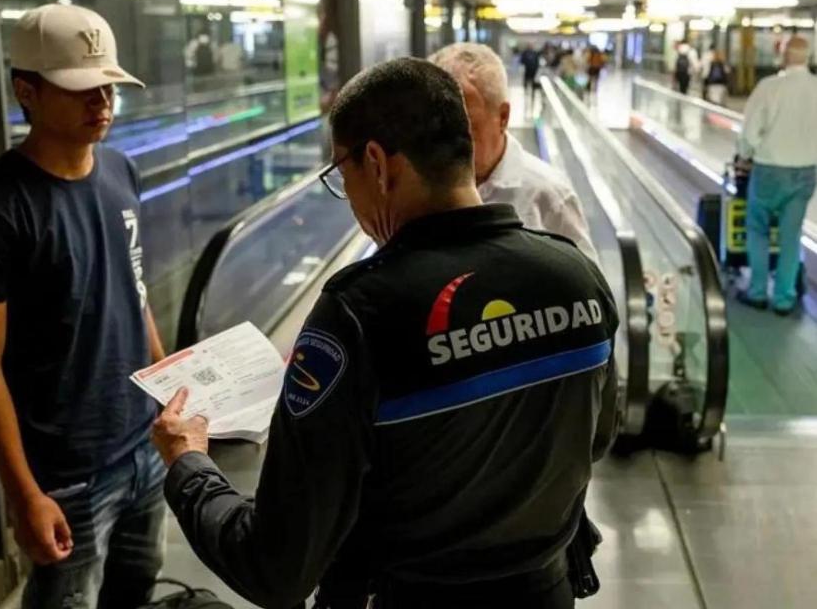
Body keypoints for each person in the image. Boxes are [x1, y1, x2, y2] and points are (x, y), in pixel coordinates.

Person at [153, 57, 619, 609]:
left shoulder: (358, 315)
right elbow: (597, 435)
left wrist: (189, 465)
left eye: (340, 173)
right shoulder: (576, 275)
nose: (346, 196)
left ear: (376, 163)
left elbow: (276, 565)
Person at [0, 4, 167, 608]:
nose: (101, 101)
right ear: (26, 92)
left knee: (138, 590)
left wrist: (169, 391)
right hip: (68, 475)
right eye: (82, 90)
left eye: (108, 86)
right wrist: (25, 493)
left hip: (142, 448)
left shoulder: (121, 170)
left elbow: (135, 290)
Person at [430, 42, 598, 264]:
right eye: (436, 128)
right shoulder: (419, 186)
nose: (446, 144)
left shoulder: (549, 196)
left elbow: (589, 285)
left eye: (465, 128)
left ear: (503, 117)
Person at [736, 35, 817, 315]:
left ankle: (758, 291)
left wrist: (745, 155)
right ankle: (785, 297)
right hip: (806, 171)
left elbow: (749, 132)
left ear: (784, 57)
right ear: (808, 57)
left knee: (757, 229)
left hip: (770, 169)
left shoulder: (770, 87)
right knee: (791, 235)